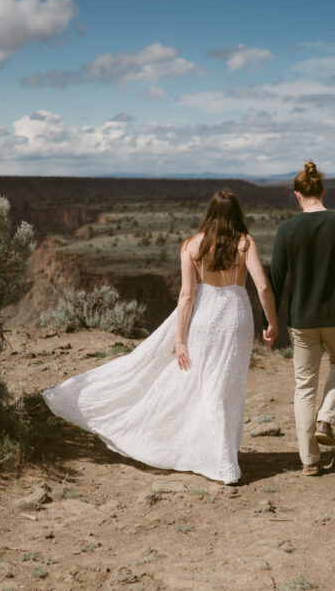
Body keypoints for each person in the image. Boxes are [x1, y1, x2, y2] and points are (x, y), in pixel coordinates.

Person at [42, 188, 278, 484]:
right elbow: (264, 287)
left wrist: (180, 339)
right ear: (237, 213)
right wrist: (272, 323)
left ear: (210, 213)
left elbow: (187, 296)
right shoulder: (245, 244)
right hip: (235, 319)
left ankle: (215, 455)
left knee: (205, 384)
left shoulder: (192, 246)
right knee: (226, 386)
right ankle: (222, 459)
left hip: (204, 320)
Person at [270, 161, 335, 476]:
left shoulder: (286, 230)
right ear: (323, 191)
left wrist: (271, 322)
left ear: (297, 194)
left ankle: (309, 461)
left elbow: (276, 280)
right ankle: (326, 418)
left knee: (304, 386)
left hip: (301, 321)